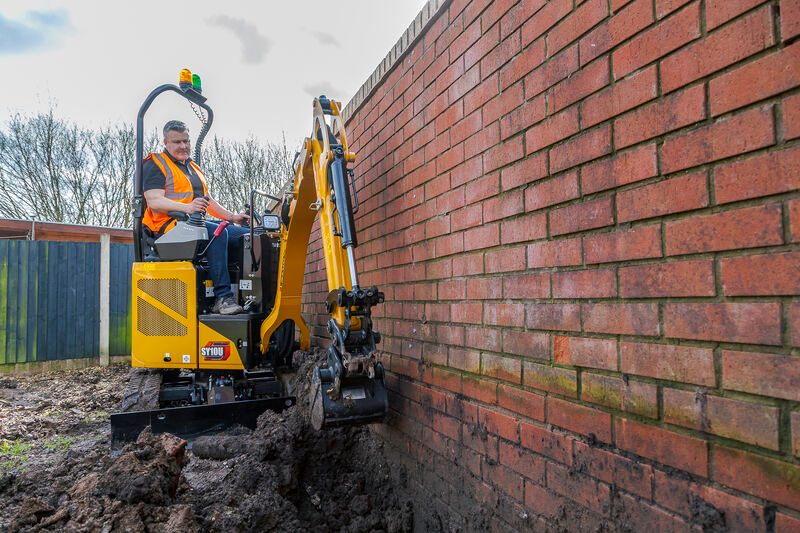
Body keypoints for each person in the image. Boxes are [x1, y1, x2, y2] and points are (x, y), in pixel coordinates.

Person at [142, 120, 249, 315]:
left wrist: (232, 217)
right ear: (166, 142)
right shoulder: (155, 164)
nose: (183, 146)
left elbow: (208, 202)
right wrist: (187, 208)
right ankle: (223, 298)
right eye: (177, 142)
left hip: (193, 224)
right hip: (167, 228)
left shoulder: (194, 168)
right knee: (217, 233)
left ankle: (248, 295)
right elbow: (154, 201)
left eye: (186, 141)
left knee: (247, 237)